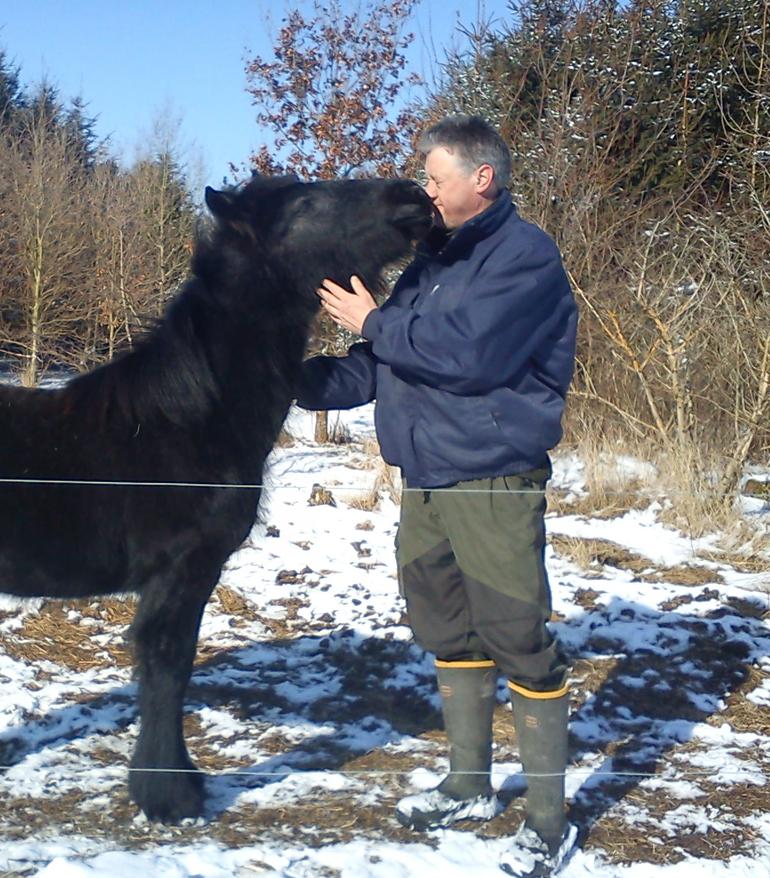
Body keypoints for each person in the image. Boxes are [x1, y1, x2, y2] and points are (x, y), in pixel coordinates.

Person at [295, 115, 578, 878]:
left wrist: (375, 320)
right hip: (424, 477)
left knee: (517, 636)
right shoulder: (432, 262)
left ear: (480, 179)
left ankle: (550, 823)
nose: (425, 190)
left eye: (434, 178)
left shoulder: (525, 257)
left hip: (491, 478)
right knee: (447, 630)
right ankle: (468, 785)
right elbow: (377, 365)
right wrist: (279, 375)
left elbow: (468, 358)